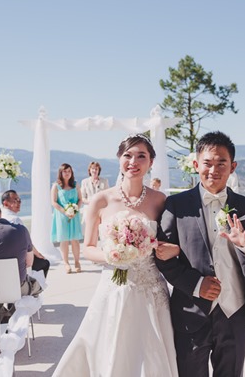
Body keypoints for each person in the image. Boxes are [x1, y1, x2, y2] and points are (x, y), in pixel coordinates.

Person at [53, 134, 180, 377]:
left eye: (141, 156)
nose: (134, 161)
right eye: (128, 155)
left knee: (153, 351)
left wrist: (173, 249)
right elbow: (89, 247)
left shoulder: (160, 200)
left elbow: (169, 242)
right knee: (112, 348)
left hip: (151, 287)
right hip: (114, 284)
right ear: (118, 158)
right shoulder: (101, 200)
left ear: (151, 162)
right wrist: (114, 256)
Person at [157, 131, 245, 377]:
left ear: (233, 167)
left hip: (235, 311)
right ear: (196, 165)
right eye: (208, 163)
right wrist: (196, 284)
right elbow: (162, 256)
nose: (214, 169)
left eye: (222, 163)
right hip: (191, 311)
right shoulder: (176, 206)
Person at [1, 189, 50, 277]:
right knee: (44, 263)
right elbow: (27, 242)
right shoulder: (15, 219)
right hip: (17, 259)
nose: (19, 202)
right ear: (5, 203)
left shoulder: (0, 216)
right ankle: (32, 287)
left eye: (19, 200)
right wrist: (38, 254)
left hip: (3, 257)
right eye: (15, 200)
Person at [50, 163, 83, 273]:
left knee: (75, 240)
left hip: (74, 215)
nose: (67, 173)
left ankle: (77, 261)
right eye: (65, 171)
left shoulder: (76, 185)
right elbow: (53, 202)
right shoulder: (56, 186)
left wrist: (75, 209)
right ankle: (66, 263)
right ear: (61, 172)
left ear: (71, 172)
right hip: (61, 215)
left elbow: (80, 199)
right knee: (64, 240)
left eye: (69, 171)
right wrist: (65, 211)